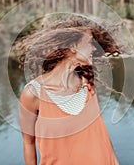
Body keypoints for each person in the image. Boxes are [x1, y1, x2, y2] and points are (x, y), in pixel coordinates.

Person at [18, 14, 122, 165]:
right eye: (90, 42)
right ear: (73, 46)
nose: (94, 47)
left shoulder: (87, 83)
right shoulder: (33, 93)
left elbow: (101, 134)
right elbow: (28, 144)